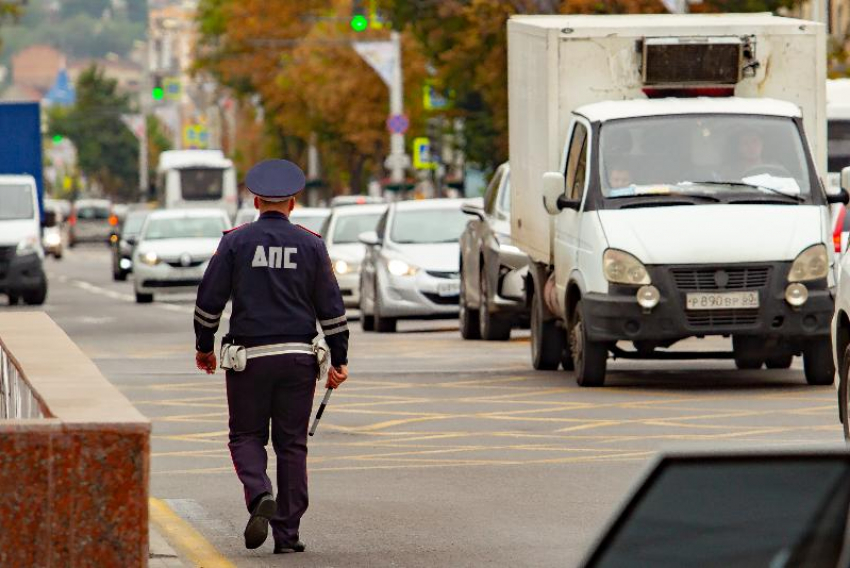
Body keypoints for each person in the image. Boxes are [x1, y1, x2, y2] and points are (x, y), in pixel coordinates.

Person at [193, 159, 349, 554]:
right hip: (299, 358)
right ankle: (288, 534)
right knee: (291, 445)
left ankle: (260, 491)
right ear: (293, 203)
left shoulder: (235, 242)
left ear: (256, 200)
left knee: (246, 435)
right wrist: (340, 358)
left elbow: (209, 301)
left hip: (249, 358)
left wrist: (204, 345)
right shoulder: (312, 244)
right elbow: (331, 307)